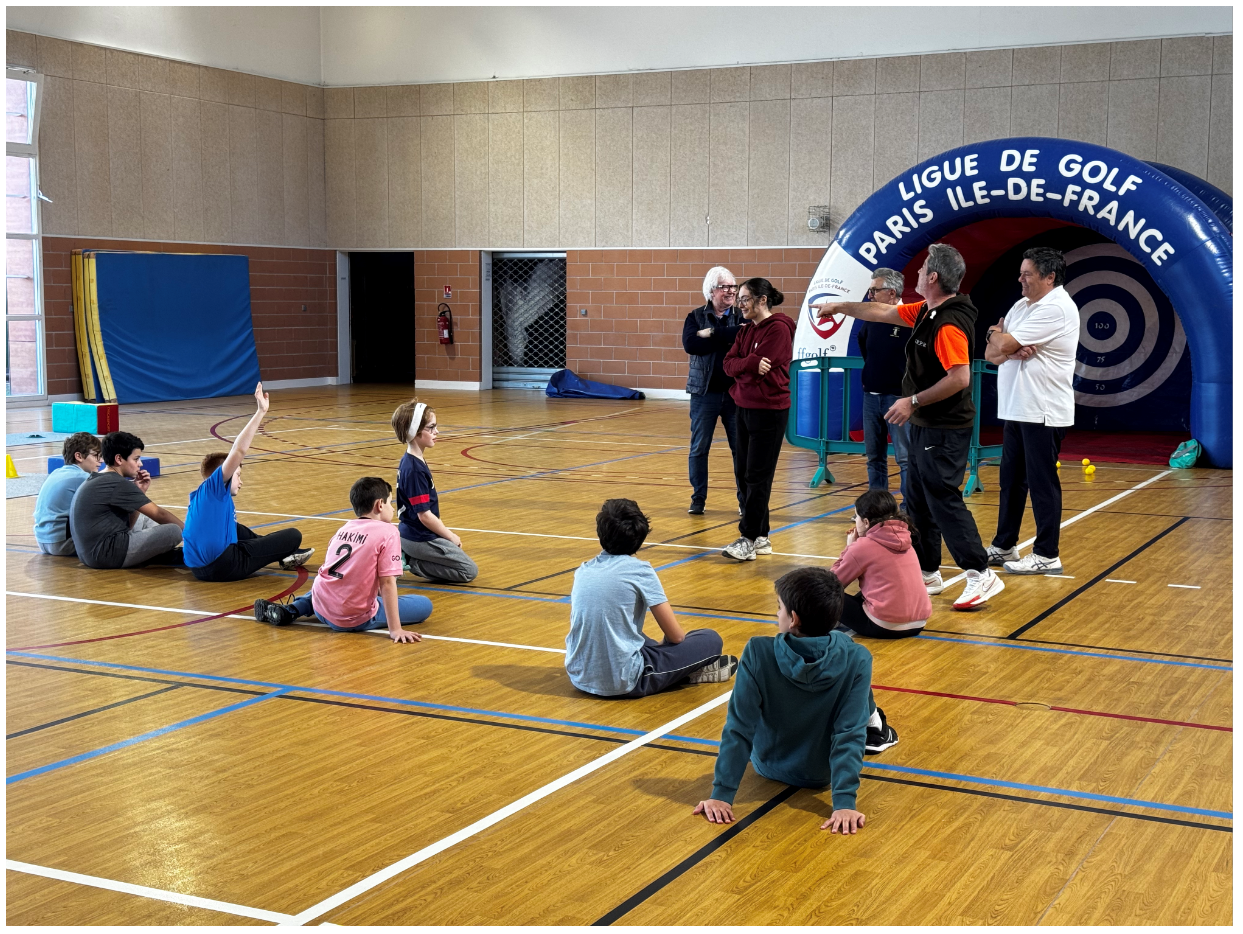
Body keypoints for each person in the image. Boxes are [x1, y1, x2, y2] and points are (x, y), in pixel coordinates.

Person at [813, 243, 1003, 610]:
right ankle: (928, 570)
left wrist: (912, 401)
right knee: (916, 498)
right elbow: (883, 310)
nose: (915, 276)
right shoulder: (928, 313)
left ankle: (980, 573)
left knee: (943, 498)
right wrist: (838, 306)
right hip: (923, 424)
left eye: (921, 272)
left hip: (944, 428)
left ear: (933, 277)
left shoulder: (948, 322)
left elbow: (960, 377)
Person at [692, 567, 898, 834]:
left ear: (793, 619)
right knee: (853, 674)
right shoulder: (859, 657)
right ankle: (877, 725)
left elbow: (739, 727)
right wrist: (844, 802)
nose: (776, 613)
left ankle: (873, 718)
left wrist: (722, 794)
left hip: (768, 765)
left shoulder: (757, 651)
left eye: (779, 608)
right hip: (823, 775)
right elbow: (848, 733)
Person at [565, 498, 737, 698]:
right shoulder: (640, 570)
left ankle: (674, 668)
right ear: (640, 536)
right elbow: (676, 637)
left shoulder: (583, 570)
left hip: (578, 676)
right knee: (709, 639)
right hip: (626, 682)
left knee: (633, 634)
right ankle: (683, 672)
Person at [984, 247, 1080, 575]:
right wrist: (997, 336)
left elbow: (1004, 346)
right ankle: (1004, 545)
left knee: (1041, 482)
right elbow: (992, 354)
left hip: (1042, 410)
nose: (1020, 279)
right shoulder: (1021, 306)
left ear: (1049, 277)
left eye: (1028, 274)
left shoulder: (1057, 308)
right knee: (1011, 480)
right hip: (1017, 408)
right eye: (1021, 272)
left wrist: (1002, 340)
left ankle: (1047, 553)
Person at [254, 476, 432, 643]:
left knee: (331, 583)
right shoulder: (389, 532)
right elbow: (387, 583)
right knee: (424, 605)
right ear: (379, 505)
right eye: (390, 502)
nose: (393, 508)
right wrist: (396, 630)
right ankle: (298, 609)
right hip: (352, 619)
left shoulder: (344, 528)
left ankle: (292, 609)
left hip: (321, 606)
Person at [183, 383, 313, 581]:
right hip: (224, 565)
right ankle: (287, 551)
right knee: (293, 536)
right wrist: (261, 412)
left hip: (197, 568)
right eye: (238, 475)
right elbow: (238, 450)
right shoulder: (215, 487)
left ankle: (286, 554)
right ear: (223, 473)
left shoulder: (199, 499)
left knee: (237, 528)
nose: (241, 481)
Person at [720, 278, 796, 562]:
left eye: (744, 299)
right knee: (743, 473)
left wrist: (748, 363)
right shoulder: (745, 331)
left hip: (769, 410)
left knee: (757, 476)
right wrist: (750, 363)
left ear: (762, 300)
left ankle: (748, 537)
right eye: (739, 299)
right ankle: (761, 535)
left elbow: (765, 364)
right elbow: (729, 365)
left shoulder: (778, 329)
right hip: (743, 406)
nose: (739, 304)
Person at [391, 399, 479, 583]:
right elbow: (424, 516)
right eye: (431, 428)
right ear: (415, 431)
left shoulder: (414, 460)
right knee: (468, 571)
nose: (436, 432)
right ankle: (409, 561)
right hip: (418, 537)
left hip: (416, 533)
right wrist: (450, 535)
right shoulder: (413, 469)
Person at [69, 430, 184, 569]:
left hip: (90, 555)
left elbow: (127, 526)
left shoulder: (99, 478)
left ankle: (157, 554)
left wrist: (139, 491)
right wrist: (193, 534)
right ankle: (166, 554)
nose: (140, 464)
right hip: (106, 556)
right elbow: (160, 514)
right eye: (136, 459)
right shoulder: (116, 483)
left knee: (145, 520)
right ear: (119, 459)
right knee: (173, 530)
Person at [682, 266, 743, 516]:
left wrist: (713, 334)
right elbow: (691, 344)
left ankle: (744, 500)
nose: (730, 292)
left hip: (735, 394)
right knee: (699, 448)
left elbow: (743, 337)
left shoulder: (741, 315)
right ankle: (698, 499)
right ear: (711, 291)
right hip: (703, 393)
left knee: (741, 449)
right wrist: (725, 338)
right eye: (724, 287)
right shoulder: (695, 316)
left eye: (733, 287)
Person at [830, 490, 932, 639]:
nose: (855, 521)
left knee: (822, 593)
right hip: (919, 624)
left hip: (884, 626)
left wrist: (849, 548)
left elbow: (833, 583)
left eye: (856, 516)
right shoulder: (906, 540)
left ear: (866, 522)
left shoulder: (863, 546)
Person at [857, 267, 912, 504]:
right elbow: (864, 347)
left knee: (905, 457)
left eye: (874, 290)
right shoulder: (871, 317)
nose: (870, 296)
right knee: (874, 456)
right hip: (871, 396)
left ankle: (911, 505)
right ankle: (877, 506)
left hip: (898, 398)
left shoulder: (910, 318)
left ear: (891, 293)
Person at [32, 432, 102, 556]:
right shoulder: (82, 477)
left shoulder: (56, 472)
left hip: (42, 541)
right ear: (79, 456)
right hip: (62, 543)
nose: (101, 460)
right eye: (96, 455)